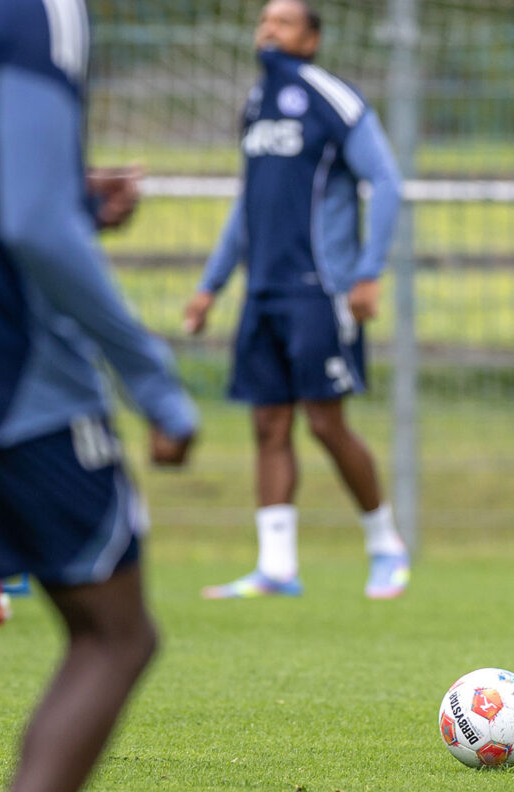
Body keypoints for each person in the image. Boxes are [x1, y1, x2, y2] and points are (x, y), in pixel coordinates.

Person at [0, 1, 199, 792]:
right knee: (115, 632)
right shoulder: (37, 13)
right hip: (9, 388)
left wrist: (64, 191)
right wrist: (153, 382)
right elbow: (33, 224)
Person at [183, 0, 408, 600]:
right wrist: (211, 284)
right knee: (267, 423)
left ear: (310, 40)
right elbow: (246, 204)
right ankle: (276, 568)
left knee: (325, 423)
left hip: (321, 288)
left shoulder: (333, 99)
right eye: (262, 21)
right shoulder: (255, 105)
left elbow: (385, 182)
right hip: (263, 291)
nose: (267, 30)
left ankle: (386, 546)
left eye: (282, 22)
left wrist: (366, 274)